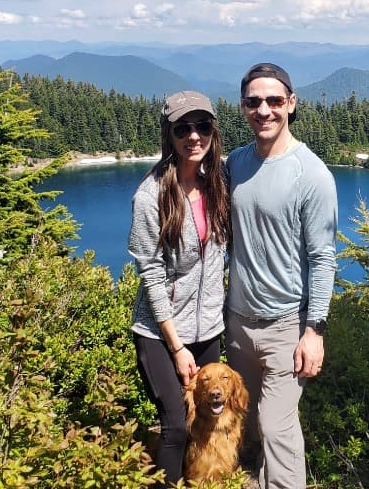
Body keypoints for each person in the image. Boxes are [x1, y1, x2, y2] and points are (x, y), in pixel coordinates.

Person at [225, 62, 338, 489]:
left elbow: (323, 258)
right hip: (236, 326)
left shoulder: (311, 174)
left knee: (277, 428)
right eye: (254, 102)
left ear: (291, 103)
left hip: (285, 328)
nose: (264, 110)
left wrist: (315, 331)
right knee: (253, 421)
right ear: (243, 107)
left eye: (274, 100)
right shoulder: (235, 164)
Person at [128, 90, 230, 487]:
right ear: (168, 135)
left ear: (212, 131)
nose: (193, 137)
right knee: (175, 425)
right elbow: (151, 275)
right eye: (183, 128)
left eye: (202, 126)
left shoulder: (217, 183)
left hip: (207, 329)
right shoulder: (150, 195)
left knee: (207, 419)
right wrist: (176, 346)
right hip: (159, 332)